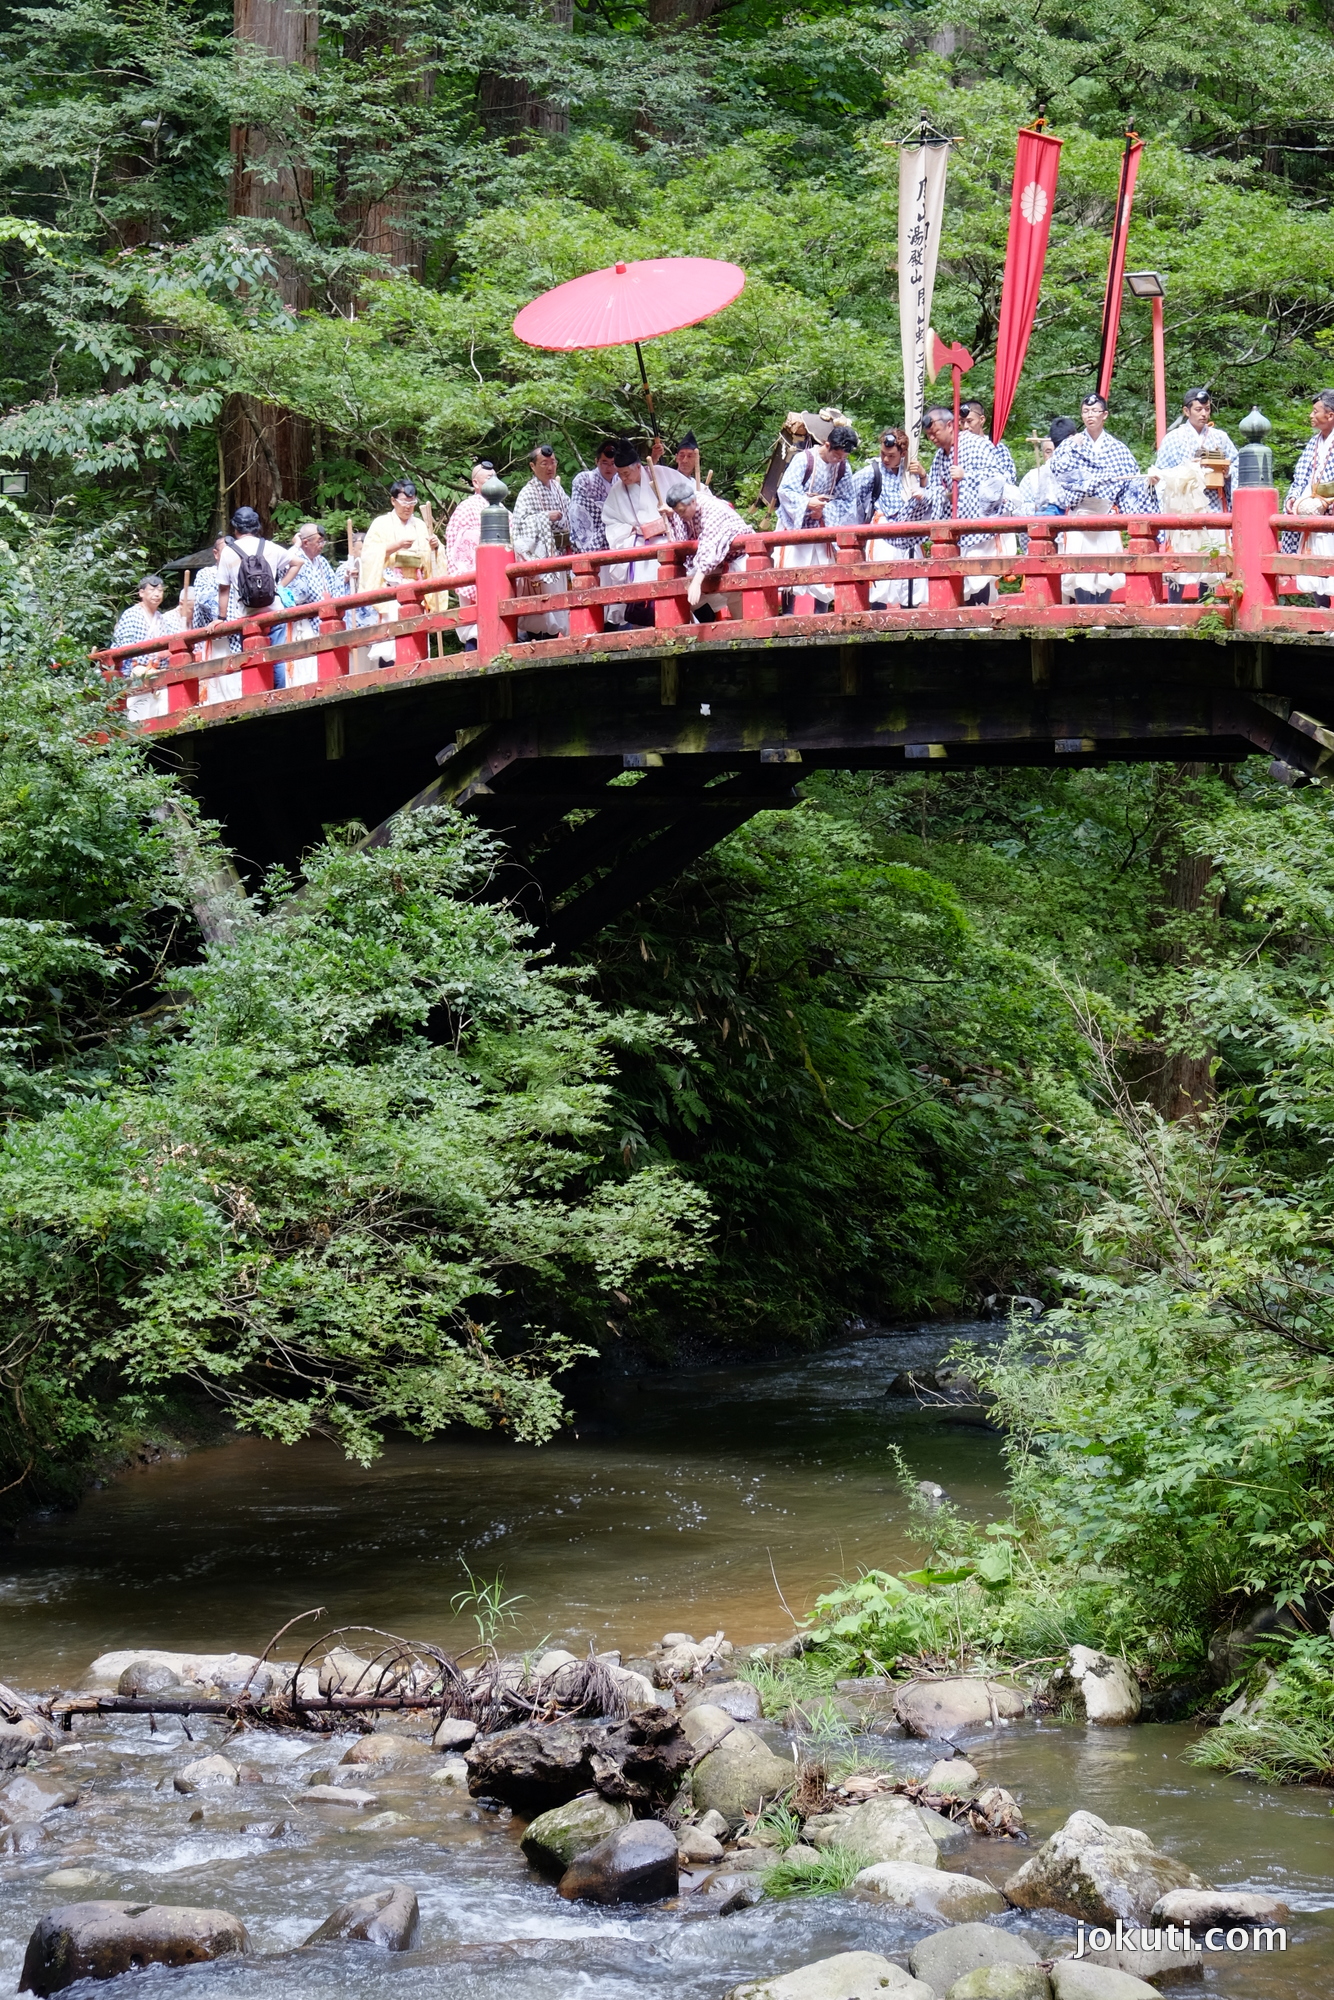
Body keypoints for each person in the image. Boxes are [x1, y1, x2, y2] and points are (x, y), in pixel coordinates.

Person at [1048, 394, 1146, 605]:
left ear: (1105, 415)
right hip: (1081, 512)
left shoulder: (1118, 449)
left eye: (1095, 411)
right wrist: (1071, 448)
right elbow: (1060, 472)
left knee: (1106, 571)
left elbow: (1131, 483)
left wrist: (1148, 484)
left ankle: (1101, 614)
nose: (1090, 415)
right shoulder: (1070, 445)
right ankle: (1085, 613)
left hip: (1105, 512)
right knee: (1081, 570)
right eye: (1086, 411)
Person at [907, 407, 1008, 604]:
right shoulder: (939, 457)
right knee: (959, 578)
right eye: (929, 435)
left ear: (950, 425)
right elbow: (938, 490)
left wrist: (966, 476)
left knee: (978, 575)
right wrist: (924, 492)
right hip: (954, 526)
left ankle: (980, 620)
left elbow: (998, 479)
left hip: (978, 524)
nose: (933, 439)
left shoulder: (976, 444)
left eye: (935, 432)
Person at [775, 419, 858, 610]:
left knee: (823, 572)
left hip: (823, 523)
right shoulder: (804, 460)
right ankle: (788, 613)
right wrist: (807, 504)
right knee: (792, 572)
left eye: (843, 457)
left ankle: (821, 615)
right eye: (837, 456)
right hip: (797, 522)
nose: (839, 460)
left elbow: (847, 500)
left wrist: (824, 511)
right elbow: (786, 491)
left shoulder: (843, 467)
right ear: (826, 445)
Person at [852, 428, 926, 608]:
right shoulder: (871, 472)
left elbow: (930, 495)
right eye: (883, 454)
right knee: (881, 582)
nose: (886, 459)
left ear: (903, 454)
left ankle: (911, 619)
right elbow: (851, 498)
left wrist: (923, 477)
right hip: (882, 529)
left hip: (908, 530)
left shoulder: (911, 472)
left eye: (891, 456)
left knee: (911, 581)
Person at [603, 442, 673, 628]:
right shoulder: (617, 490)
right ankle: (643, 627)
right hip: (639, 546)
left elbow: (684, 498)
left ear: (638, 467)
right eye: (620, 474)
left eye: (626, 473)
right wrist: (633, 531)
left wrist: (668, 521)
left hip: (667, 541)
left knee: (670, 586)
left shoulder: (660, 474)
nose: (623, 478)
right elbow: (611, 522)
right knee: (642, 595)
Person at [662, 478, 749, 622]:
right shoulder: (685, 511)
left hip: (738, 558)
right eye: (678, 512)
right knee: (684, 590)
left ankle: (746, 634)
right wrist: (672, 515)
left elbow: (709, 544)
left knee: (737, 595)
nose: (681, 515)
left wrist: (697, 582)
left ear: (693, 502)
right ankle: (709, 623)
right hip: (716, 560)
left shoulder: (712, 509)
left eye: (682, 511)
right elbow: (681, 536)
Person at [510, 445, 572, 638]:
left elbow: (571, 512)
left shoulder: (557, 487)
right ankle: (542, 639)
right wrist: (544, 517)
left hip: (560, 554)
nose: (550, 467)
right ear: (532, 466)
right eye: (544, 463)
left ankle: (557, 638)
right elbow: (519, 527)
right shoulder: (527, 493)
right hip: (542, 558)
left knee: (560, 605)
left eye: (552, 462)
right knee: (546, 608)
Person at [1146, 389, 1237, 514]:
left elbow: (1238, 466)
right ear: (1186, 411)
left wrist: (1228, 472)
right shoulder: (1173, 438)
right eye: (1198, 410)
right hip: (1184, 504)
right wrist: (1188, 469)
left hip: (1215, 502)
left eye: (1207, 409)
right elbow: (1162, 474)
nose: (1204, 414)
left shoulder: (1220, 438)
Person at [1284, 390, 1334, 605]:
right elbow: (1300, 477)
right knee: (1315, 568)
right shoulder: (1313, 443)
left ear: (1330, 415)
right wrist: (1293, 498)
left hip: (1329, 511)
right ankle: (1323, 618)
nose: (1311, 416)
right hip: (1314, 514)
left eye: (1315, 411)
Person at [445, 463, 494, 651]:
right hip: (474, 572)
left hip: (495, 571)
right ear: (476, 482)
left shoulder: (501, 507)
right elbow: (456, 543)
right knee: (475, 625)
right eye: (488, 478)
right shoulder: (466, 508)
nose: (494, 481)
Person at [110, 574, 173, 674]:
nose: (157, 594)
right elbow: (127, 648)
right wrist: (157, 653)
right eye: (152, 590)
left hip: (158, 668)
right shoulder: (132, 614)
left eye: (160, 591)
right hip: (133, 670)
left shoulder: (161, 618)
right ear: (141, 593)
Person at [570, 442, 619, 553]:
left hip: (616, 540)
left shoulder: (621, 481)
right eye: (605, 463)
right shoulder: (584, 480)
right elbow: (578, 511)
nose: (609, 468)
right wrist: (613, 512)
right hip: (590, 540)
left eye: (613, 463)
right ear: (596, 461)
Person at [962, 400, 1017, 483]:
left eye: (969, 421)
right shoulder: (959, 449)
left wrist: (966, 476)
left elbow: (1010, 478)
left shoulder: (997, 447)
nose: (965, 426)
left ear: (981, 420)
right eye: (962, 422)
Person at [651, 430, 702, 509]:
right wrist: (654, 457)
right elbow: (647, 475)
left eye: (689, 456)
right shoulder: (665, 476)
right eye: (681, 455)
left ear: (697, 459)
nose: (685, 460)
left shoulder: (701, 488)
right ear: (676, 458)